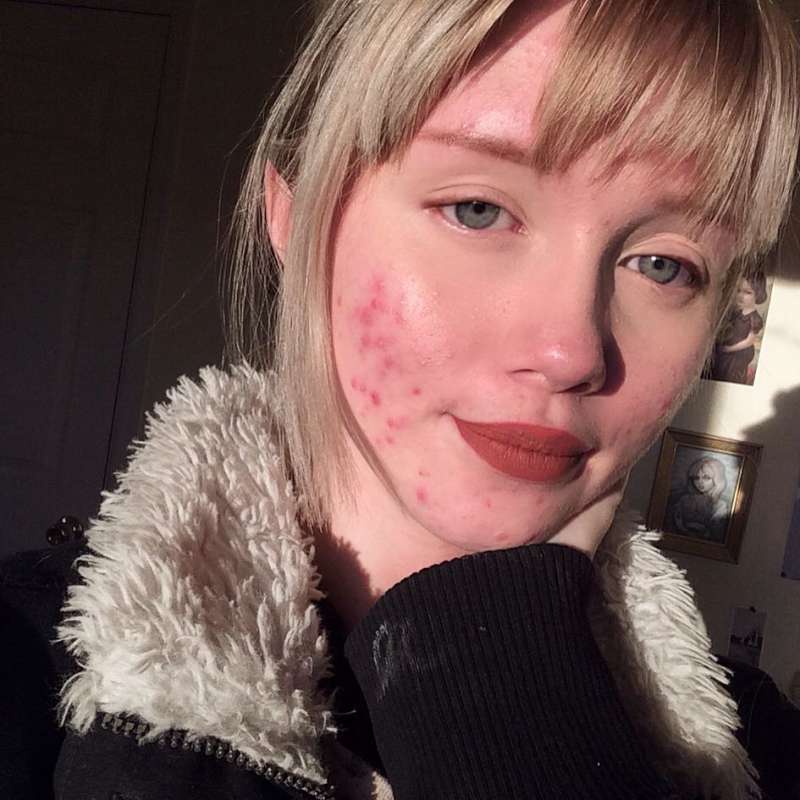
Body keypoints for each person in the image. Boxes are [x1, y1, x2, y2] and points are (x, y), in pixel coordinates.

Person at [3, 1, 799, 799]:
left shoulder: (753, 748)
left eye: (664, 265)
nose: (572, 353)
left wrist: (508, 699)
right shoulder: (27, 671)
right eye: (477, 210)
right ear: (295, 217)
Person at [710, 272, 769, 385]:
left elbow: (749, 341)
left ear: (758, 294)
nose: (740, 296)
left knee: (731, 374)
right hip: (726, 350)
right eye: (738, 291)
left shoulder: (755, 319)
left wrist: (730, 348)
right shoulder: (736, 313)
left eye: (747, 292)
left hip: (739, 352)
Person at [669, 456, 729, 542]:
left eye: (706, 477)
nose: (700, 482)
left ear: (717, 480)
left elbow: (716, 532)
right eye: (696, 478)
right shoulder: (684, 500)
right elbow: (675, 522)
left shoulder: (720, 505)